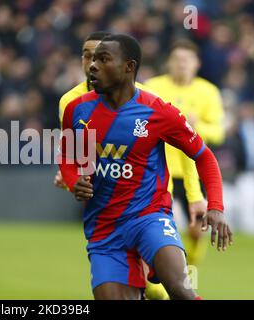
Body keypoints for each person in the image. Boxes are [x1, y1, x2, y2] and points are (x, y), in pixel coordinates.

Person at [58, 34, 232, 300]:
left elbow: (204, 156)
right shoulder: (75, 110)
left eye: (103, 60)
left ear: (129, 67)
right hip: (104, 229)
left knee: (180, 290)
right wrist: (73, 181)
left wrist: (215, 206)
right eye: (92, 59)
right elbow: (69, 158)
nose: (93, 66)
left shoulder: (158, 111)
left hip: (149, 217)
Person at [54, 31, 168, 300]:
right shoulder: (70, 103)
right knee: (134, 284)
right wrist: (70, 176)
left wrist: (197, 195)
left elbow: (190, 148)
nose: (91, 63)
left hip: (147, 194)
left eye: (99, 57)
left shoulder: (148, 98)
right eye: (87, 56)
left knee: (165, 283)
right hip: (105, 203)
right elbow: (75, 152)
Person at [144, 40, 225, 265]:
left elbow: (218, 133)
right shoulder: (152, 86)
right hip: (159, 167)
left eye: (186, 60)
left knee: (196, 229)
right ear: (168, 62)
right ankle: (160, 272)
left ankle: (190, 265)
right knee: (160, 224)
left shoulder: (208, 92)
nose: (181, 64)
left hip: (194, 169)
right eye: (177, 59)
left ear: (196, 63)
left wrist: (195, 125)